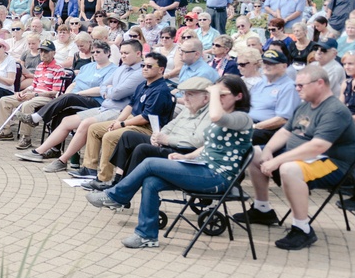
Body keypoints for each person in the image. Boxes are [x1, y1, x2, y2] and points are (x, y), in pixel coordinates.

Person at [87, 76, 254, 249]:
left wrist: (212, 91)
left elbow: (215, 116)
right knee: (151, 181)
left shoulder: (241, 118)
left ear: (239, 96)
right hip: (203, 168)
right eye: (216, 95)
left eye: (222, 95)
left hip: (218, 177)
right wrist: (186, 157)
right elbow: (208, 146)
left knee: (150, 162)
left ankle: (116, 196)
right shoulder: (222, 118)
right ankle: (146, 235)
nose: (217, 99)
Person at [233, 65, 355, 250]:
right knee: (256, 152)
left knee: (289, 168)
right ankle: (262, 210)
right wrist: (268, 150)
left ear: (320, 83)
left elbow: (318, 146)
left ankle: (302, 229)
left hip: (332, 163)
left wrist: (277, 160)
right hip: (305, 158)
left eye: (301, 85)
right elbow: (285, 132)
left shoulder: (334, 110)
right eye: (296, 85)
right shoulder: (304, 106)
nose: (297, 89)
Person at [16, 40, 144, 167]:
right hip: (103, 107)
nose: (123, 56)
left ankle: (62, 158)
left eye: (126, 53)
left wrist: (105, 90)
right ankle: (40, 151)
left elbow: (115, 93)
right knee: (65, 118)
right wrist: (109, 89)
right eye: (121, 53)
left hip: (113, 109)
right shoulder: (120, 68)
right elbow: (103, 86)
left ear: (138, 53)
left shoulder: (137, 72)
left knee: (75, 108)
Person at [53, 52, 175, 178]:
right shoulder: (143, 85)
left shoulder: (160, 90)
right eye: (143, 65)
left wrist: (122, 124)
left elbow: (145, 118)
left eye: (149, 66)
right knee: (93, 129)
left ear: (161, 69)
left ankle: (104, 178)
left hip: (148, 128)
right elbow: (130, 106)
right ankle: (89, 169)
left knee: (109, 136)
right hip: (132, 120)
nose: (144, 68)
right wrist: (117, 121)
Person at [88, 76, 214, 192]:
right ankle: (117, 181)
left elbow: (197, 141)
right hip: (166, 143)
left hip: (182, 152)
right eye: (185, 94)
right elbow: (171, 125)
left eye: (190, 94)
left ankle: (122, 190)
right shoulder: (189, 108)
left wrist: (167, 139)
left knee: (142, 149)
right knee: (128, 136)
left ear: (206, 98)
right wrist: (158, 136)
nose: (185, 98)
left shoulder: (209, 115)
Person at [0, 40, 67, 142]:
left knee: (27, 105)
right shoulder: (39, 66)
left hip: (48, 98)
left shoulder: (58, 69)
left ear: (54, 53)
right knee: (5, 100)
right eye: (41, 51)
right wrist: (24, 92)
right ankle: (5, 132)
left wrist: (35, 94)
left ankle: (25, 137)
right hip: (34, 94)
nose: (43, 54)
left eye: (46, 51)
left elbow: (56, 92)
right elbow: (33, 85)